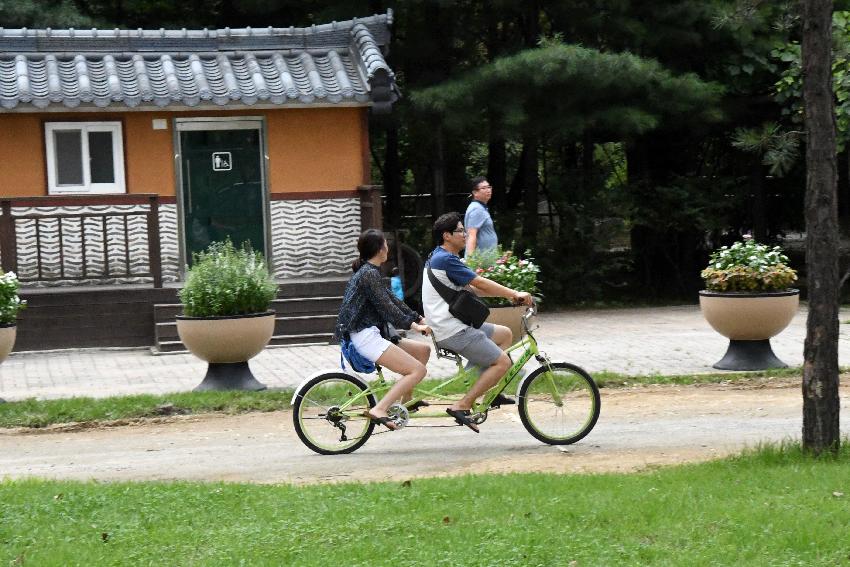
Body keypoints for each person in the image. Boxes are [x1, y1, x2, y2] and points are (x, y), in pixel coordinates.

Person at [422, 212, 532, 433]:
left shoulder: (440, 257)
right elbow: (480, 282)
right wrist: (514, 293)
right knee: (503, 363)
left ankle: (491, 387)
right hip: (452, 330)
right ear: (447, 236)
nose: (465, 234)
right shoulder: (445, 259)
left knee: (504, 334)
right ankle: (462, 405)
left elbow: (473, 290)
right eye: (460, 231)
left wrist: (510, 297)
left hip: (450, 325)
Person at [335, 229, 432, 430]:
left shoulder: (370, 272)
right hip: (366, 337)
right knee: (417, 370)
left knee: (423, 351)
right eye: (385, 244)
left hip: (373, 333)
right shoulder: (368, 274)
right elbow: (387, 308)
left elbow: (392, 299)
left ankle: (406, 403)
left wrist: (418, 317)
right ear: (380, 249)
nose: (388, 247)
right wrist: (413, 325)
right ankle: (380, 409)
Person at [464, 176, 498, 257]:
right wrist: (470, 261)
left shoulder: (481, 207)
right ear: (475, 192)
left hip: (485, 261)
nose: (488, 190)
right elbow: (471, 235)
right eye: (484, 188)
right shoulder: (477, 209)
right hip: (479, 262)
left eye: (489, 187)